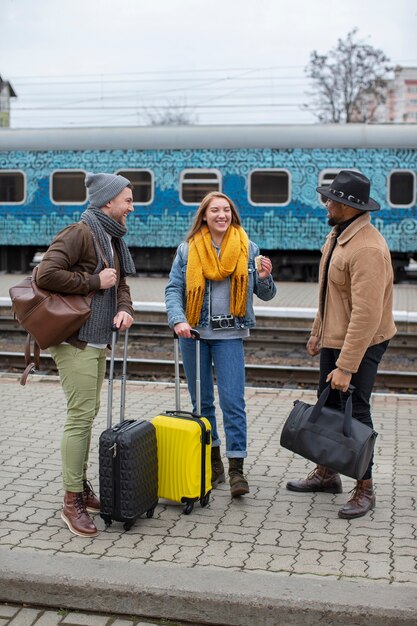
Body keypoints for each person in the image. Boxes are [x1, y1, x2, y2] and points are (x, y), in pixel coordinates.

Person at [286, 170, 397, 519]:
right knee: (330, 403)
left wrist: (347, 366)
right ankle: (328, 473)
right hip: (338, 336)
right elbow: (329, 292)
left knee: (355, 413)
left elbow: (365, 315)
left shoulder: (366, 248)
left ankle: (365, 488)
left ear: (347, 206)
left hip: (361, 342)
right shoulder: (340, 235)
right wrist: (318, 331)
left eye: (330, 199)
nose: (326, 203)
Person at [36, 172, 136, 537]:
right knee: (80, 417)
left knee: (88, 413)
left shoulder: (111, 236)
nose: (131, 205)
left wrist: (124, 307)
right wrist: (94, 282)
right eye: (127, 199)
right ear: (108, 201)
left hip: (97, 338)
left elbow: (120, 282)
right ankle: (71, 501)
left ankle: (80, 486)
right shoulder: (80, 232)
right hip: (75, 339)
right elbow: (46, 274)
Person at [165, 191, 277, 498]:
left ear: (232, 215)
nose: (221, 215)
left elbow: (266, 294)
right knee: (201, 404)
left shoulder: (247, 247)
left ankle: (236, 469)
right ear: (204, 216)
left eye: (226, 210)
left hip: (230, 336)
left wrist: (265, 277)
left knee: (233, 402)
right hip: (195, 336)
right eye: (214, 210)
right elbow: (173, 288)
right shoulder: (188, 249)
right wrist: (178, 320)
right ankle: (213, 464)